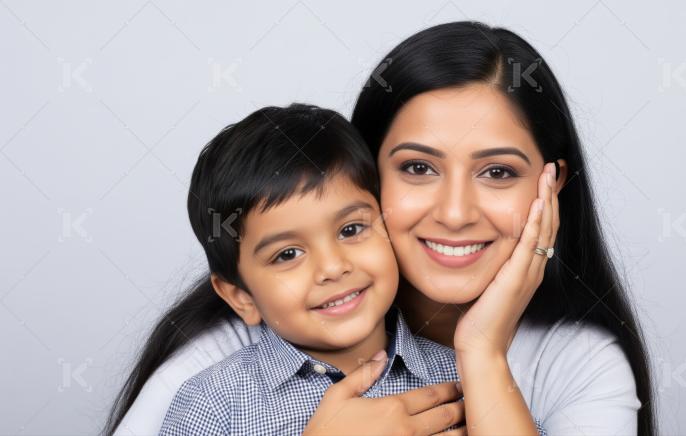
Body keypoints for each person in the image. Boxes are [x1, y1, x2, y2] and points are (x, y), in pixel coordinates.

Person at [107, 21, 655, 436]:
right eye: (418, 168)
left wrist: (483, 351)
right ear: (367, 178)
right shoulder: (227, 361)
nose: (456, 212)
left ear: (551, 188)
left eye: (497, 172)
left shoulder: (570, 362)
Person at [155, 103, 494, 435]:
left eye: (351, 230)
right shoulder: (213, 403)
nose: (332, 268)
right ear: (241, 297)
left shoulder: (464, 380)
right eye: (287, 254)